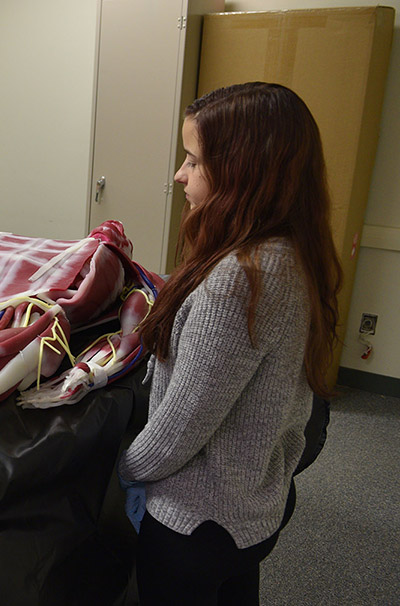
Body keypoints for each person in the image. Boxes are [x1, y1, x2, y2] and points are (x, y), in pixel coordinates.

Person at [117, 82, 341, 604]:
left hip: (193, 522)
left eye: (193, 160)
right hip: (251, 507)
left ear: (243, 172)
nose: (180, 174)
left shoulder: (240, 278)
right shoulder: (292, 252)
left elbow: (178, 432)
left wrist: (119, 469)